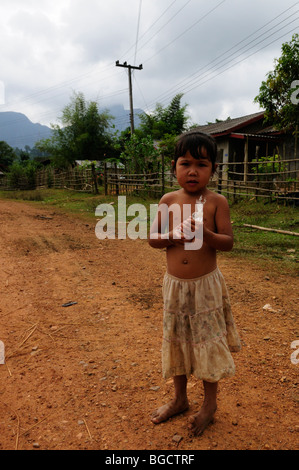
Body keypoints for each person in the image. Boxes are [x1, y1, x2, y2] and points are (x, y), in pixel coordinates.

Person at [148, 130, 241, 436]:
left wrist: (207, 235)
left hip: (206, 287)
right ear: (173, 167)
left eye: (201, 164)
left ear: (213, 169)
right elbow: (153, 239)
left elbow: (227, 243)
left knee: (206, 342)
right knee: (177, 340)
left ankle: (209, 405)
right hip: (175, 286)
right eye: (185, 163)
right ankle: (179, 399)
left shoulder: (216, 202)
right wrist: (171, 237)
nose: (192, 171)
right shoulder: (168, 200)